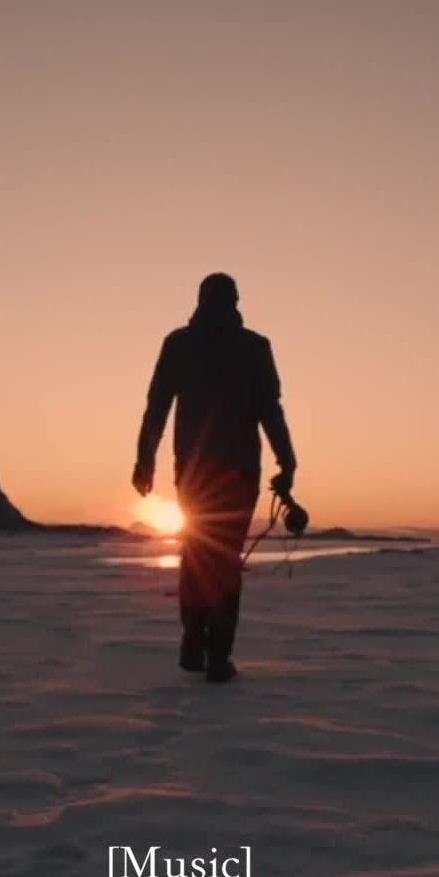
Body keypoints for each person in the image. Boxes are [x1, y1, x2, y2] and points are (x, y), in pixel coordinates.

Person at [132, 273, 297, 683]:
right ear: (236, 300)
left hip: (193, 470)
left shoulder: (179, 343)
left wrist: (144, 460)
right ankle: (217, 655)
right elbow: (270, 410)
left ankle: (194, 634)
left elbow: (157, 406)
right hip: (239, 470)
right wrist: (287, 461)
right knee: (224, 559)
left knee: (198, 552)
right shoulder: (254, 347)